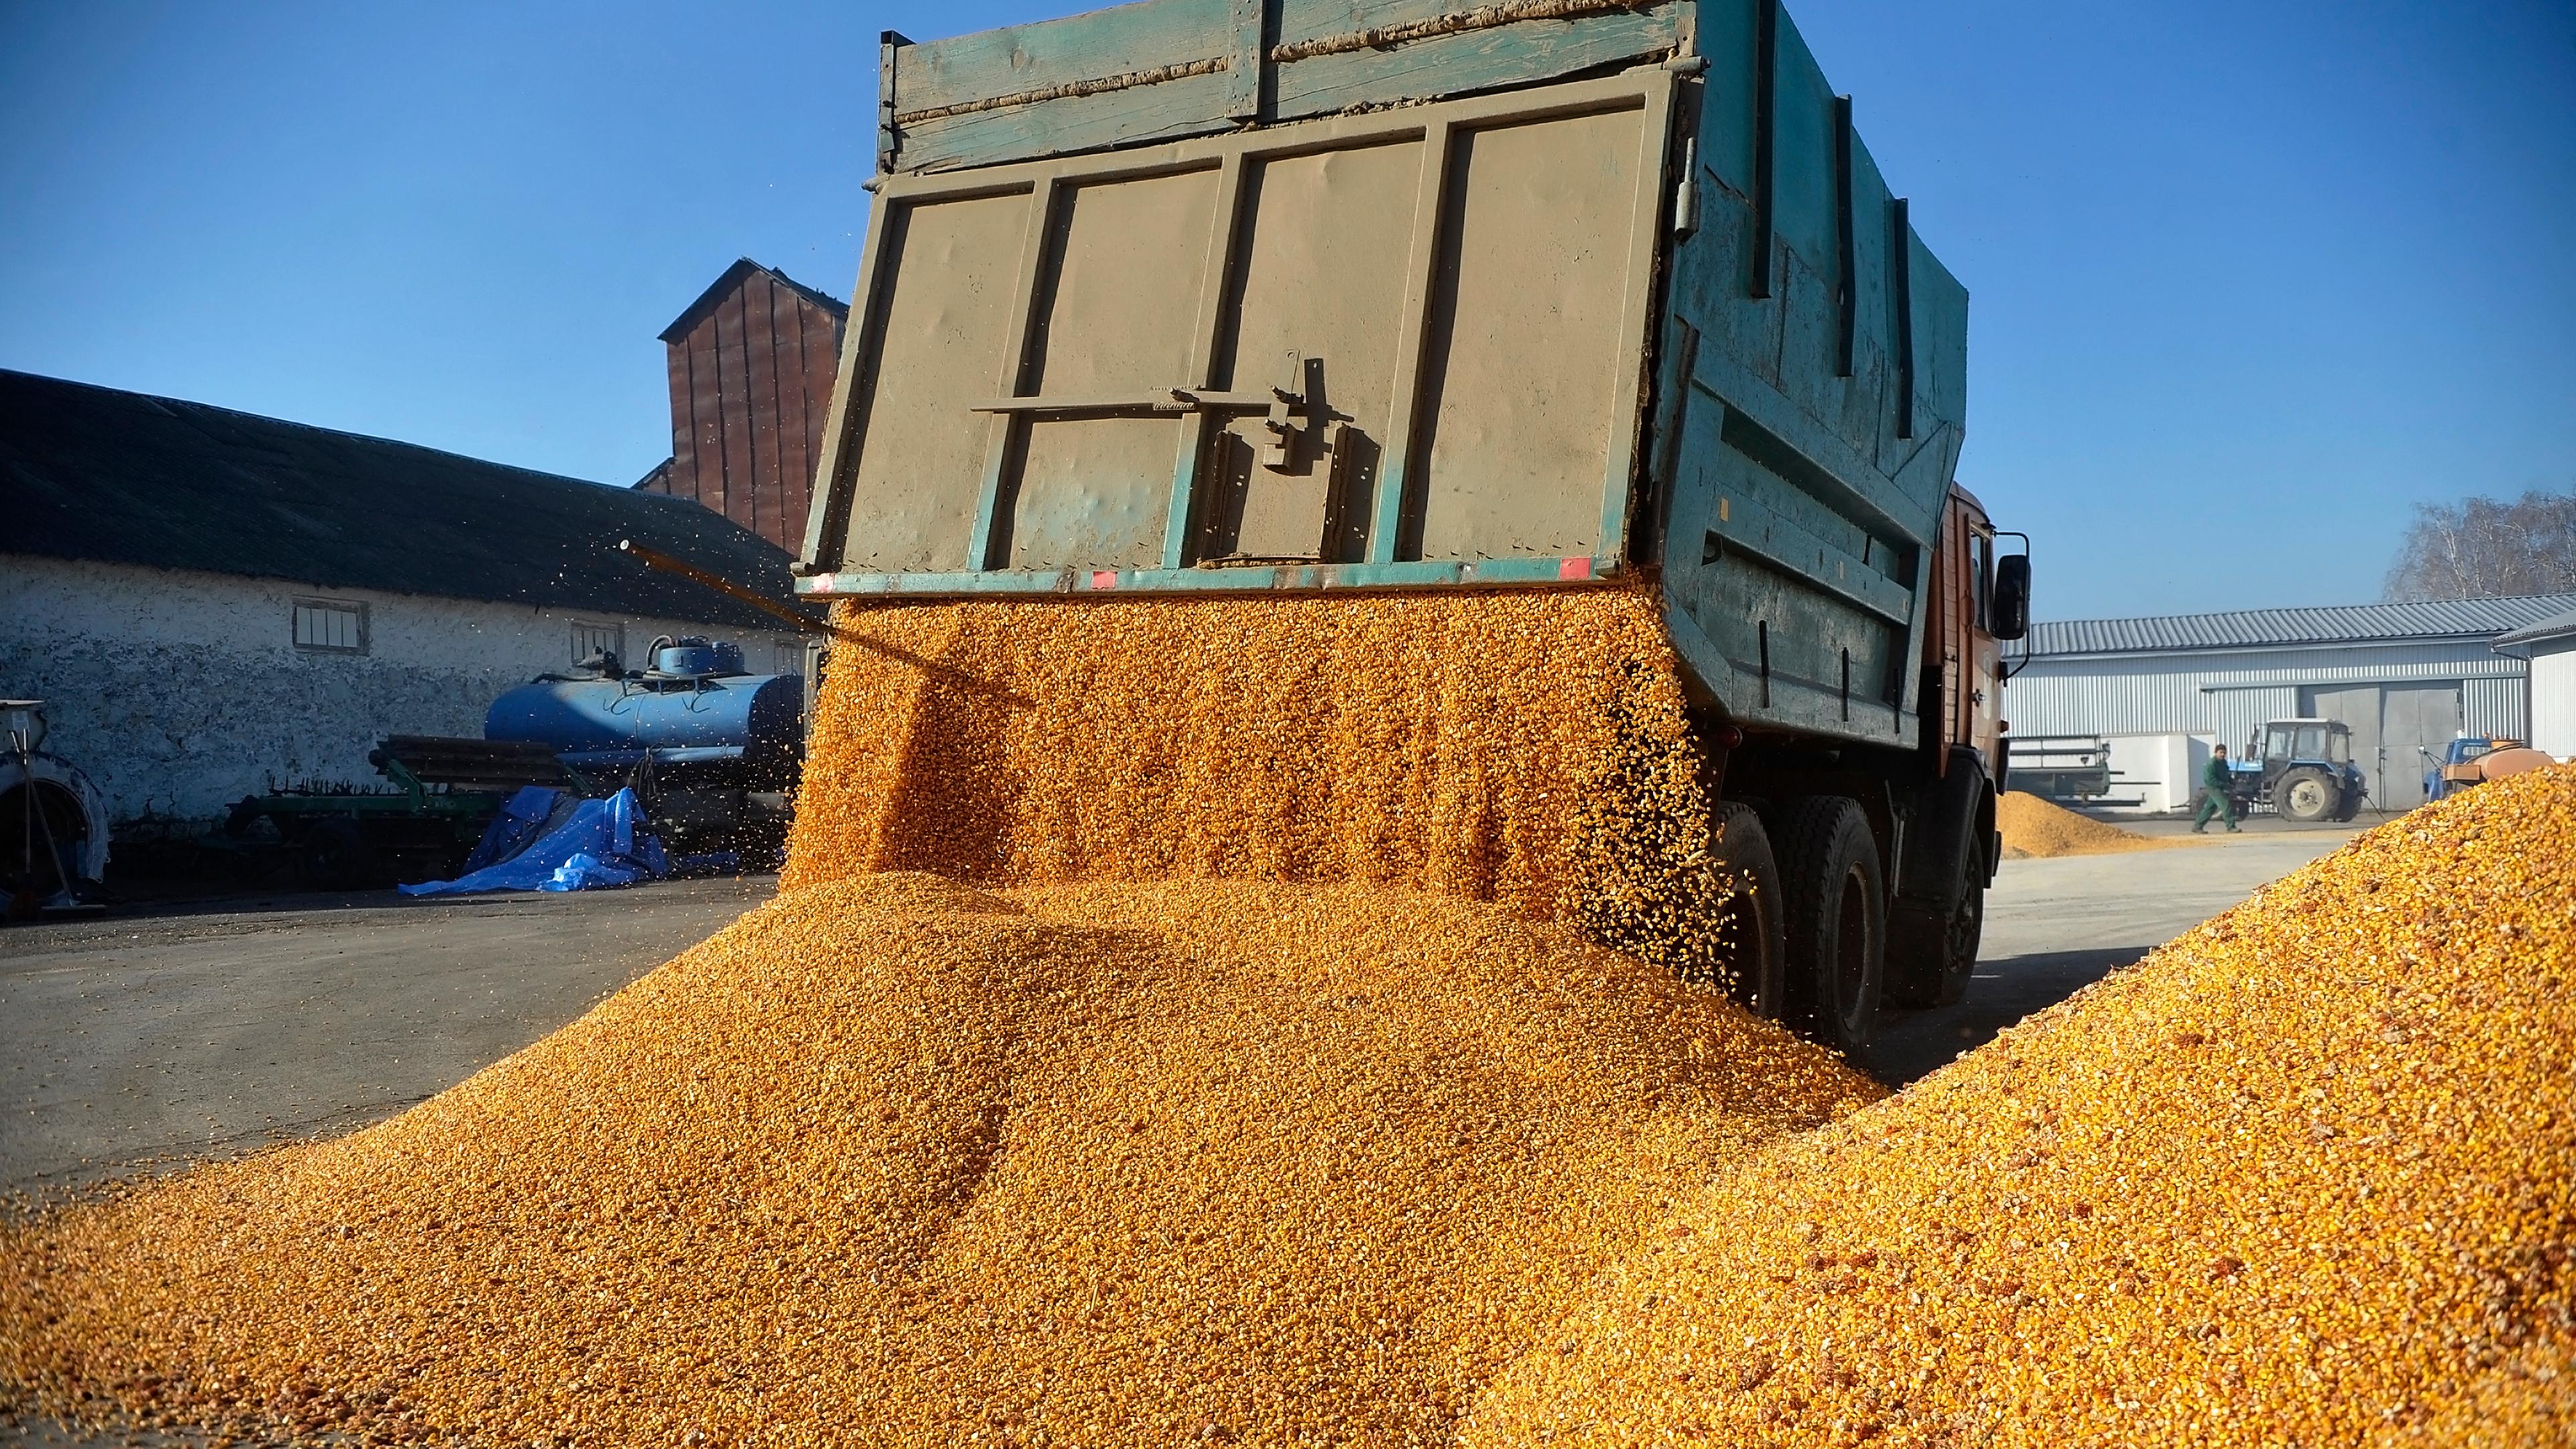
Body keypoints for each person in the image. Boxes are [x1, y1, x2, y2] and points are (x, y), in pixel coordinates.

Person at [2193, 743, 2241, 833]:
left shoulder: (2223, 763)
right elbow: (2211, 780)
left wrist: (2231, 781)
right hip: (2214, 788)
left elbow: (2226, 774)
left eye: (2224, 753)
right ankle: (2231, 827)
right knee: (2226, 806)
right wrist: (2224, 785)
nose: (2222, 755)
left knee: (2209, 809)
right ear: (2216, 753)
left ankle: (2197, 827)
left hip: (2220, 787)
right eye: (2220, 753)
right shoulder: (2211, 764)